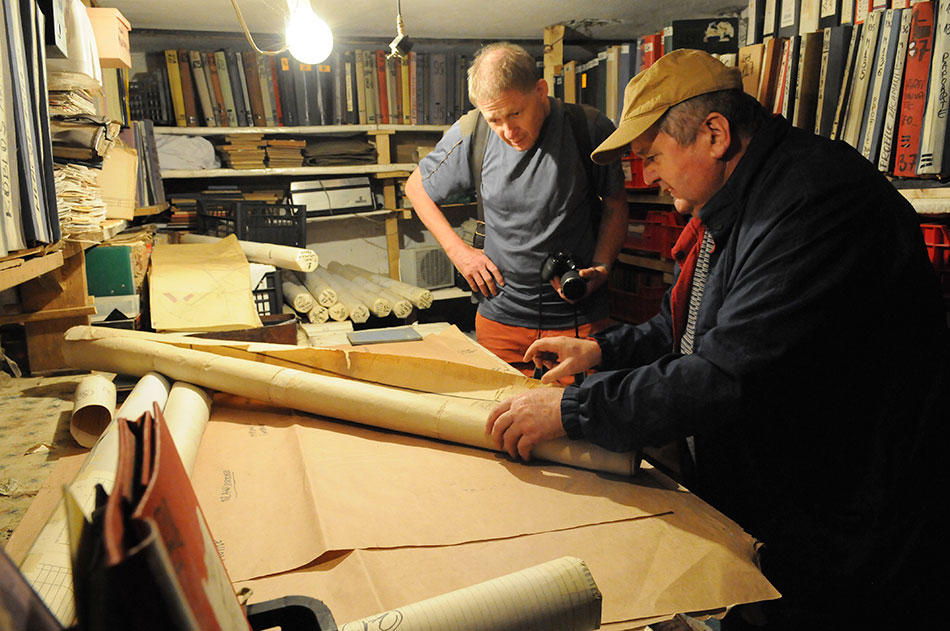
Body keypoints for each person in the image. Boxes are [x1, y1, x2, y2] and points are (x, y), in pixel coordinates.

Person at [485, 49, 948, 628]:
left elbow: (728, 373)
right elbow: (690, 325)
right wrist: (603, 350)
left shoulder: (814, 203)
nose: (647, 175)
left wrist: (572, 410)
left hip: (846, 518)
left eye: (652, 156)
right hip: (781, 498)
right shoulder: (733, 201)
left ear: (714, 134)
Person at [404, 42, 628, 375]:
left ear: (540, 90)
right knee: (502, 417)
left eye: (516, 114)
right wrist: (460, 253)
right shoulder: (473, 133)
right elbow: (415, 187)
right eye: (495, 119)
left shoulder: (588, 127)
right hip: (501, 319)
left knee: (577, 418)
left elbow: (615, 203)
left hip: (578, 319)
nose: (508, 132)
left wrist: (603, 265)